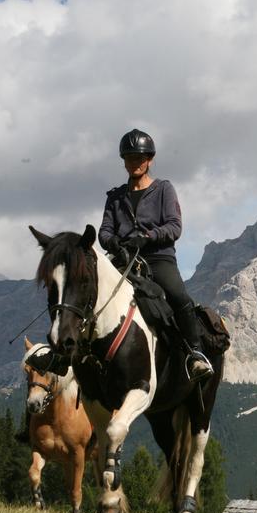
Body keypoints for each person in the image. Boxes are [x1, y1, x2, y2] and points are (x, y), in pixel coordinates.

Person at [97, 128, 213, 383]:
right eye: (129, 158)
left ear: (149, 159)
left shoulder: (164, 189)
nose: (134, 163)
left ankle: (195, 353)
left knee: (179, 296)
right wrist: (114, 241)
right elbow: (103, 231)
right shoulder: (115, 197)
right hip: (123, 259)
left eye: (139, 158)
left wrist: (148, 237)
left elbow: (174, 226)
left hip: (158, 258)